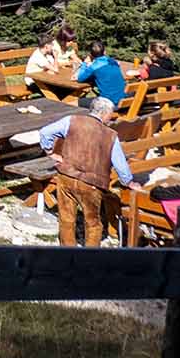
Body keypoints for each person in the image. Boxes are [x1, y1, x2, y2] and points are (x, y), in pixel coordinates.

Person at [39, 97, 139, 247]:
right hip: (91, 183)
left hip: (66, 175)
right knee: (93, 223)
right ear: (104, 113)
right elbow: (120, 163)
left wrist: (50, 152)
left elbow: (45, 132)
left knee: (66, 218)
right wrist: (128, 181)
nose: (111, 117)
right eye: (110, 114)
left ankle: (67, 251)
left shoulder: (71, 120)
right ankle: (90, 255)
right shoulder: (110, 135)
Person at [72, 41, 128, 107]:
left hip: (107, 103)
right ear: (105, 52)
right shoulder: (113, 62)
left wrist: (85, 63)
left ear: (90, 55)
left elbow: (80, 78)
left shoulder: (94, 67)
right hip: (122, 100)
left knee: (73, 103)